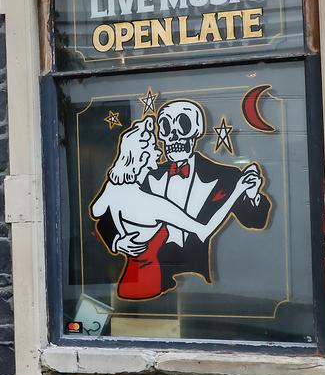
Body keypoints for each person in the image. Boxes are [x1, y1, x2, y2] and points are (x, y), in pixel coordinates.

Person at [90, 117, 258, 300]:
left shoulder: (114, 187)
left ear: (196, 133)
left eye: (183, 127)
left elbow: (97, 212)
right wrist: (117, 241)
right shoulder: (153, 201)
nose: (159, 151)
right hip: (153, 285)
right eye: (165, 131)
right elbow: (102, 223)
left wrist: (249, 194)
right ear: (144, 156)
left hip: (189, 282)